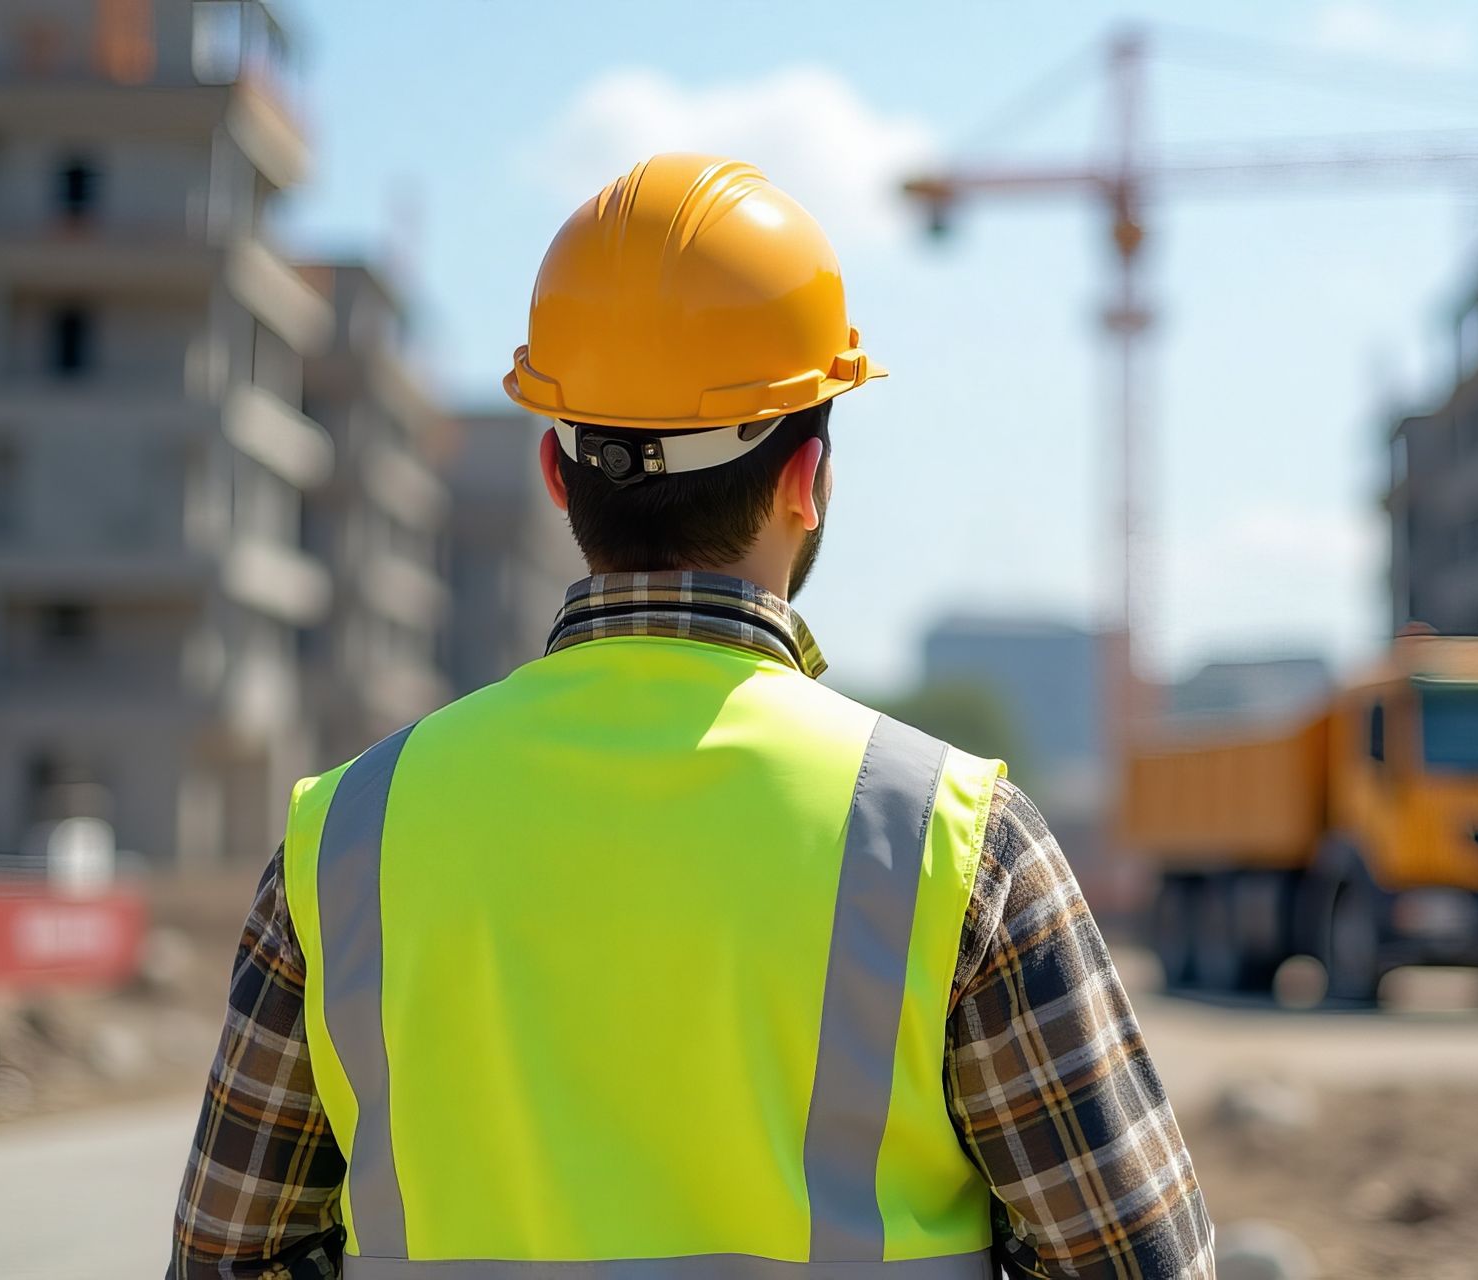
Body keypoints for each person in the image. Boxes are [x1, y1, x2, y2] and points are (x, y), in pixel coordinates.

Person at [170, 153, 1213, 1278]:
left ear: (557, 474)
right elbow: (1137, 1260)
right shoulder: (953, 842)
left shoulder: (346, 835)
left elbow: (230, 1255)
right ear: (806, 475)